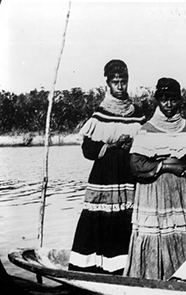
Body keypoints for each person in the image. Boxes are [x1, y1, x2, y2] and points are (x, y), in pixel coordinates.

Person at [68, 59, 146, 274]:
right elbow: (88, 150)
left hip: (129, 176)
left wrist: (133, 144)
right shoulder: (100, 114)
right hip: (105, 176)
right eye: (116, 82)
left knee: (126, 217)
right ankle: (96, 267)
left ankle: (126, 267)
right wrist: (112, 145)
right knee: (102, 217)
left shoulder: (137, 113)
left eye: (123, 81)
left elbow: (147, 142)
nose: (120, 86)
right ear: (108, 84)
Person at [123, 77, 186, 280]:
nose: (168, 104)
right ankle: (151, 279)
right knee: (155, 233)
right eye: (164, 99)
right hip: (152, 190)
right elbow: (136, 164)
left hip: (177, 191)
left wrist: (181, 168)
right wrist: (166, 165)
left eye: (173, 99)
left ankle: (184, 278)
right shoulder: (147, 129)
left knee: (178, 231)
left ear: (179, 101)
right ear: (157, 100)